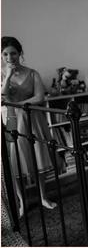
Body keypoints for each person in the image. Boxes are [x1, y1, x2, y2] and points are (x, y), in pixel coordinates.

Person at [1, 36, 57, 217]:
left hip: (32, 120)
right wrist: (8, 75)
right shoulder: (2, 75)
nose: (10, 57)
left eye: (14, 53)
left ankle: (42, 196)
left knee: (38, 158)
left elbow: (39, 97)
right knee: (15, 163)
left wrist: (19, 105)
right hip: (12, 122)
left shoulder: (33, 73)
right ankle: (21, 202)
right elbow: (1, 97)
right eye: (5, 54)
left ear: (20, 53)